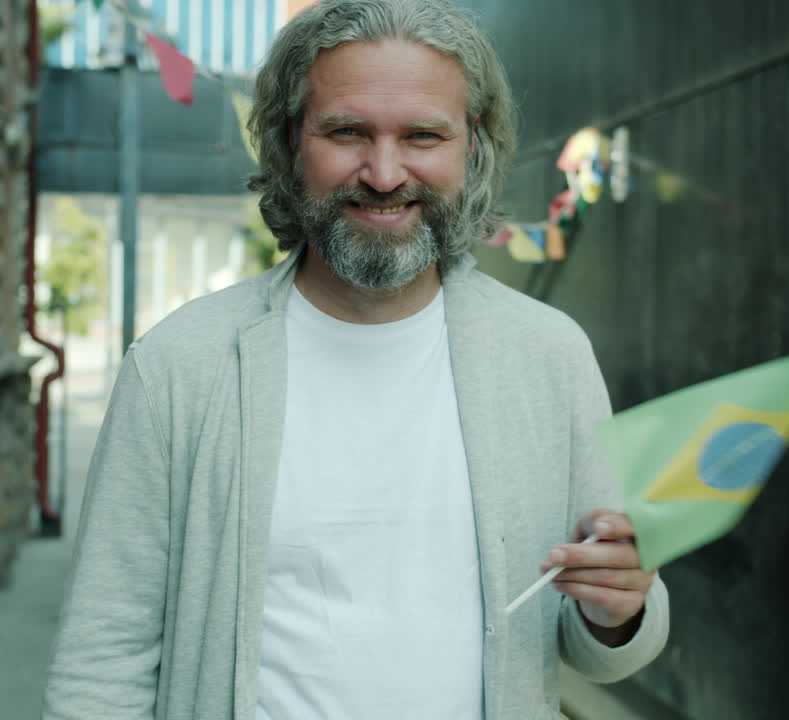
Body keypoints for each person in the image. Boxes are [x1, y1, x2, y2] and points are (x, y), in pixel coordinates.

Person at [43, 1, 668, 718]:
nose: (382, 171)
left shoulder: (549, 357)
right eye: (347, 132)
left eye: (423, 136)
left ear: (473, 147)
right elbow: (102, 660)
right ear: (289, 142)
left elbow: (603, 636)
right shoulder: (180, 366)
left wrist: (617, 606)